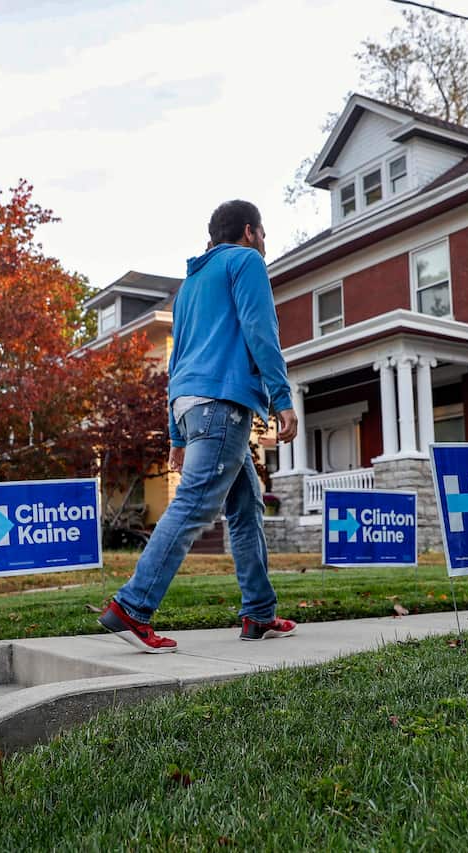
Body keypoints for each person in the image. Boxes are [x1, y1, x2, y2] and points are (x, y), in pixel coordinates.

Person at [99, 200, 299, 653]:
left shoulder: (190, 284)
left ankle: (259, 613)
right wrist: (282, 398)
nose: (264, 242)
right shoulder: (245, 262)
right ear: (250, 232)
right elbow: (260, 330)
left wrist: (176, 434)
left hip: (192, 404)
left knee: (245, 508)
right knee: (193, 505)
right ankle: (133, 605)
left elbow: (179, 357)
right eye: (263, 233)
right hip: (221, 405)